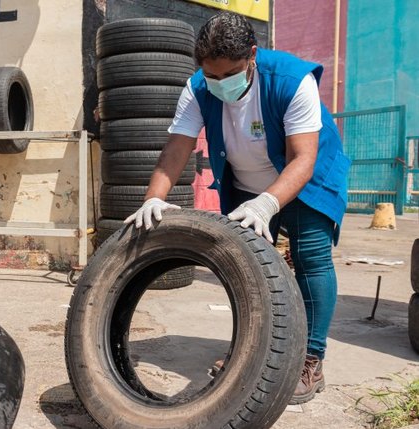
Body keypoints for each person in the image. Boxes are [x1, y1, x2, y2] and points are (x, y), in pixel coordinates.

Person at [125, 12, 349, 405]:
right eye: (211, 75)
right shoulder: (198, 88)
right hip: (246, 180)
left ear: (252, 56)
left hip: (305, 176)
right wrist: (154, 198)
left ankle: (309, 359)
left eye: (229, 74)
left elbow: (302, 158)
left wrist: (268, 203)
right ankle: (253, 350)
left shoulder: (291, 81)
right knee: (246, 262)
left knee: (310, 258)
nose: (219, 84)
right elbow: (177, 147)